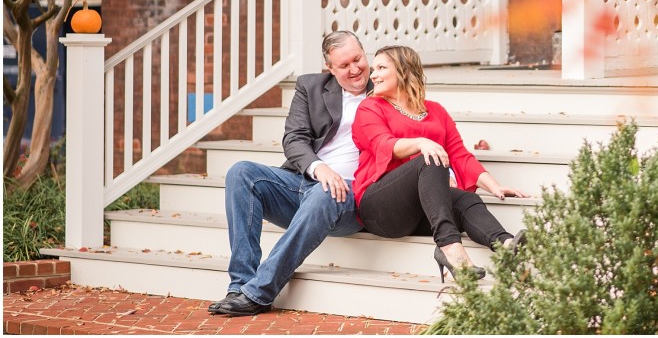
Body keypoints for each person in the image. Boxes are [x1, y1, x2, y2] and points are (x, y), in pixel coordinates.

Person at [209, 31, 371, 316]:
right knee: (241, 173)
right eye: (344, 66)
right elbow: (294, 139)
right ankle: (240, 285)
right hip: (305, 183)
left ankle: (259, 293)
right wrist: (319, 168)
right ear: (330, 69)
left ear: (365, 53)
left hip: (350, 197)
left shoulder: (385, 88)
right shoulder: (311, 87)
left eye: (358, 59)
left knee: (325, 192)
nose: (355, 69)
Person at [352, 45, 530, 282]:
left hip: (421, 211)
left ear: (404, 70)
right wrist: (421, 143)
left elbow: (459, 154)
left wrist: (494, 186)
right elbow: (383, 145)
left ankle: (506, 246)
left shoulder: (435, 111)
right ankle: (450, 248)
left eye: (381, 68)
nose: (373, 75)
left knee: (468, 199)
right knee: (431, 159)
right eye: (373, 69)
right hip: (380, 208)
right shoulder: (370, 108)